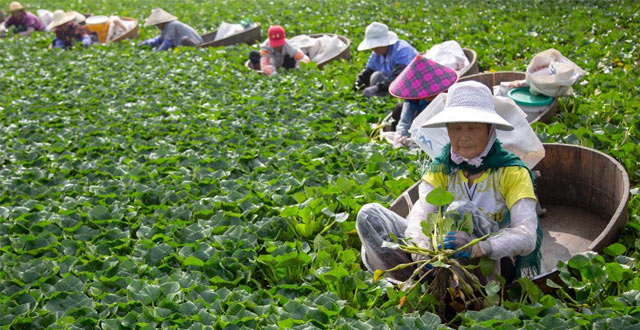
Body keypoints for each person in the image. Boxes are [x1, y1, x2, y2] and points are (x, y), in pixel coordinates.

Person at [356, 81, 542, 283]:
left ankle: (464, 291)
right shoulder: (442, 167)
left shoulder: (512, 171)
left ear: (490, 130)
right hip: (440, 256)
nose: (464, 137)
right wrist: (421, 249)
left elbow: (526, 236)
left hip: (491, 266)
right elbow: (420, 214)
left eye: (473, 128)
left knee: (460, 210)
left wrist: (479, 247)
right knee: (369, 215)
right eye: (456, 128)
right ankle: (417, 280)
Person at [388, 54, 458, 146]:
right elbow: (405, 122)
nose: (424, 96)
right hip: (418, 130)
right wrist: (400, 137)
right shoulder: (412, 99)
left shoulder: (447, 98)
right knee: (398, 109)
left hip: (440, 135)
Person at [354, 22, 418, 98]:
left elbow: (400, 76)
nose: (373, 49)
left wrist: (377, 88)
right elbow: (368, 72)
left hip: (413, 85)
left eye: (376, 46)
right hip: (391, 84)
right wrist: (357, 85)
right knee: (376, 76)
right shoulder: (376, 53)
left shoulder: (401, 50)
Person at [139, 8, 203, 51]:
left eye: (157, 24)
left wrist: (159, 52)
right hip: (186, 42)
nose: (157, 27)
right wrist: (146, 43)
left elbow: (168, 41)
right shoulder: (164, 29)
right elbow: (159, 39)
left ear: (162, 22)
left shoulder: (171, 25)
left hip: (195, 42)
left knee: (183, 40)